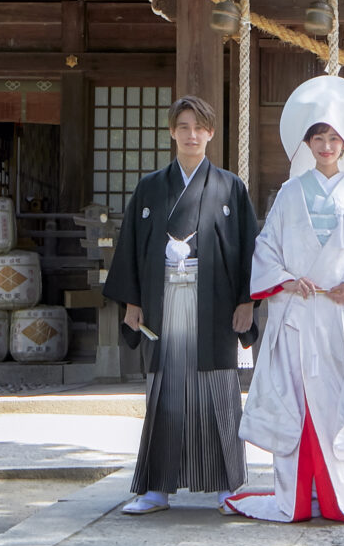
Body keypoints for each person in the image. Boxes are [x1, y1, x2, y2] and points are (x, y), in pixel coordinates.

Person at [223, 75, 344, 524]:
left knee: (340, 404)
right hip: (298, 312)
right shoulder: (291, 193)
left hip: (341, 314)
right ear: (308, 144)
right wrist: (287, 281)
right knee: (296, 401)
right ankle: (294, 495)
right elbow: (266, 247)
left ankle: (342, 496)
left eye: (333, 138)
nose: (326, 145)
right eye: (319, 138)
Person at [100, 93, 260, 515]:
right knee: (165, 391)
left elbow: (248, 250)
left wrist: (247, 301)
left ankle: (227, 485)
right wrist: (132, 302)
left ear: (211, 133)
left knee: (219, 391)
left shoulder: (230, 187)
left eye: (199, 127)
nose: (192, 135)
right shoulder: (152, 187)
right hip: (163, 299)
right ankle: (156, 488)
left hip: (216, 304)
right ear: (172, 132)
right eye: (183, 127)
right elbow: (132, 248)